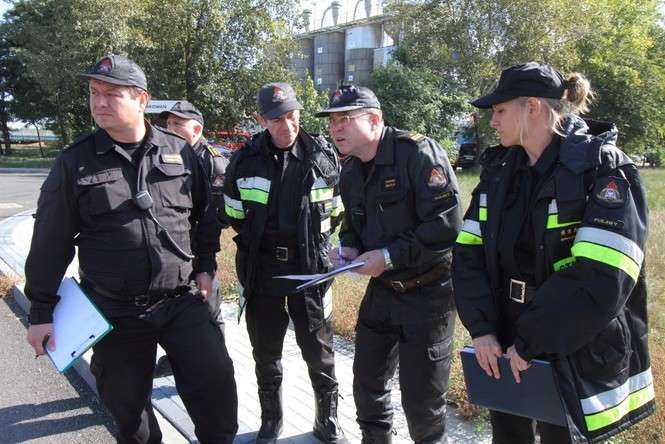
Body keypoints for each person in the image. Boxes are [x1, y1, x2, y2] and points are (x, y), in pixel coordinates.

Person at [24, 54, 238, 444]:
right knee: (132, 423)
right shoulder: (76, 162)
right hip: (115, 311)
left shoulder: (180, 151)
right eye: (94, 93)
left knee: (218, 396)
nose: (99, 102)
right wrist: (40, 311)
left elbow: (205, 215)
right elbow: (50, 242)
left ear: (142, 99)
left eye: (112, 94)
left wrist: (206, 264)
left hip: (182, 300)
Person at [453, 62, 654, 444]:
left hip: (569, 341)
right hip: (504, 337)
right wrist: (482, 329)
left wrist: (531, 342)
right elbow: (468, 252)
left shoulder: (601, 168)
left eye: (500, 110)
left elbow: (602, 276)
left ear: (532, 107)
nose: (492, 122)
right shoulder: (499, 170)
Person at [317, 85, 462, 444]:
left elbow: (445, 226)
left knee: (423, 406)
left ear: (375, 120)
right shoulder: (350, 170)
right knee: (367, 385)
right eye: (332, 121)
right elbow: (353, 224)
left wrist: (387, 256)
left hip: (429, 294)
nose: (335, 128)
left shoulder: (417, 154)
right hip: (383, 292)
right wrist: (349, 248)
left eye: (345, 119)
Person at [222, 82, 348, 444]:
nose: (287, 124)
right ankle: (271, 420)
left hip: (310, 271)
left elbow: (336, 213)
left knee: (319, 352)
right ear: (261, 119)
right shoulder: (244, 160)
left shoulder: (323, 155)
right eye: (277, 119)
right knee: (265, 352)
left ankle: (327, 420)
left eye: (292, 115)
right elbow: (233, 213)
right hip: (262, 272)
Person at [154, 100, 229, 377]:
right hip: (175, 250)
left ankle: (217, 364)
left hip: (199, 249)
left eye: (177, 124)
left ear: (196, 130)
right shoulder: (167, 155)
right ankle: (176, 359)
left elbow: (218, 215)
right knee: (179, 309)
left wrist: (203, 253)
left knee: (209, 309)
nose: (169, 129)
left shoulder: (212, 161)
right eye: (168, 123)